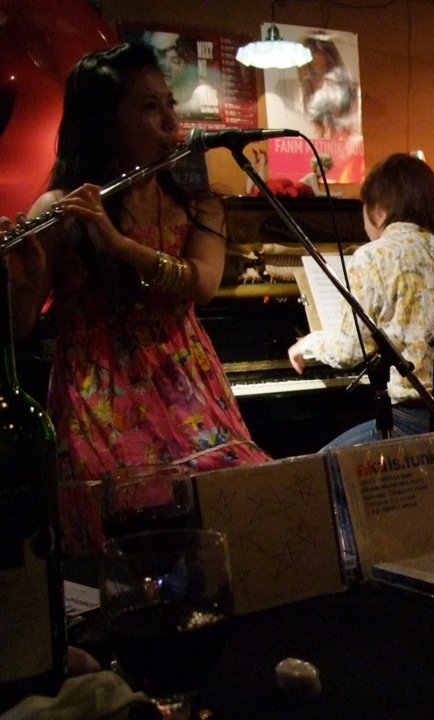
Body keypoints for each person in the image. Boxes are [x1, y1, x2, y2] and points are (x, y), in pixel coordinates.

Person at [5, 42, 271, 553]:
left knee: (238, 503)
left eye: (169, 103)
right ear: (104, 120)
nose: (172, 121)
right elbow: (18, 327)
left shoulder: (197, 205)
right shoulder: (62, 208)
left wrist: (120, 246)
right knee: (130, 526)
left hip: (187, 382)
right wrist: (24, 279)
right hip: (99, 397)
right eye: (150, 107)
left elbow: (202, 283)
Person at [287, 153, 434, 446]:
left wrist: (308, 344)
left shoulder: (373, 257)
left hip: (411, 425)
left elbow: (350, 349)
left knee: (317, 468)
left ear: (378, 210)